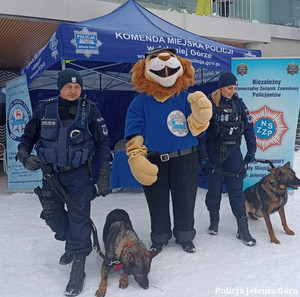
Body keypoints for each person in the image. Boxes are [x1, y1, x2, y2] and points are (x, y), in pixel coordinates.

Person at [16, 68, 111, 296]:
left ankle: (78, 264)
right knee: (54, 220)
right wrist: (24, 156)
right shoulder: (44, 109)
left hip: (79, 176)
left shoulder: (90, 111)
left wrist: (104, 175)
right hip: (51, 175)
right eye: (68, 86)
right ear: (60, 87)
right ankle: (71, 243)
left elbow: (103, 144)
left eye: (77, 86)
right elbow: (27, 138)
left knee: (79, 219)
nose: (73, 90)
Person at [125, 48, 212, 254]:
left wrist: (201, 118)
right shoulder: (140, 101)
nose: (163, 61)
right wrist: (136, 155)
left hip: (185, 157)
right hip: (155, 159)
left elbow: (196, 130)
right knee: (156, 199)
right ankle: (160, 236)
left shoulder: (187, 98)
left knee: (186, 198)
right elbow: (134, 129)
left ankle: (185, 235)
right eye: (154, 58)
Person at [198, 72, 257, 246]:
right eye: (229, 88)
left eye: (235, 88)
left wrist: (251, 151)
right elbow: (200, 133)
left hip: (233, 153)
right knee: (214, 190)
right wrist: (202, 155)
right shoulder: (208, 104)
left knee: (236, 191)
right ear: (221, 87)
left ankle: (242, 229)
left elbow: (248, 128)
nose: (232, 91)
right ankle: (214, 221)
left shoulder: (239, 104)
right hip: (213, 153)